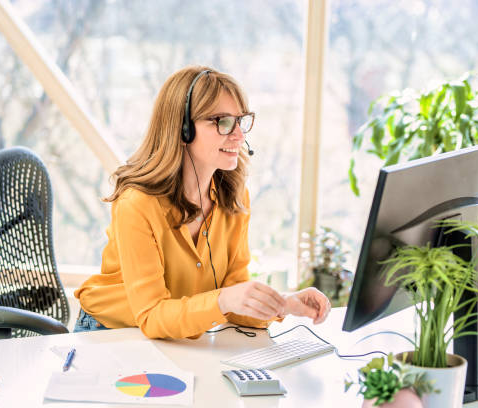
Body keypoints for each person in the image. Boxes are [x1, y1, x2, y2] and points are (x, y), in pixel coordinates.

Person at [74, 66, 331, 339]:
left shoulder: (233, 197)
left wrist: (284, 304)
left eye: (240, 121)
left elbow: (234, 296)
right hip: (108, 334)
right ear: (183, 129)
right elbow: (152, 315)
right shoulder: (137, 204)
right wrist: (223, 300)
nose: (239, 136)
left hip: (173, 338)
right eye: (221, 121)